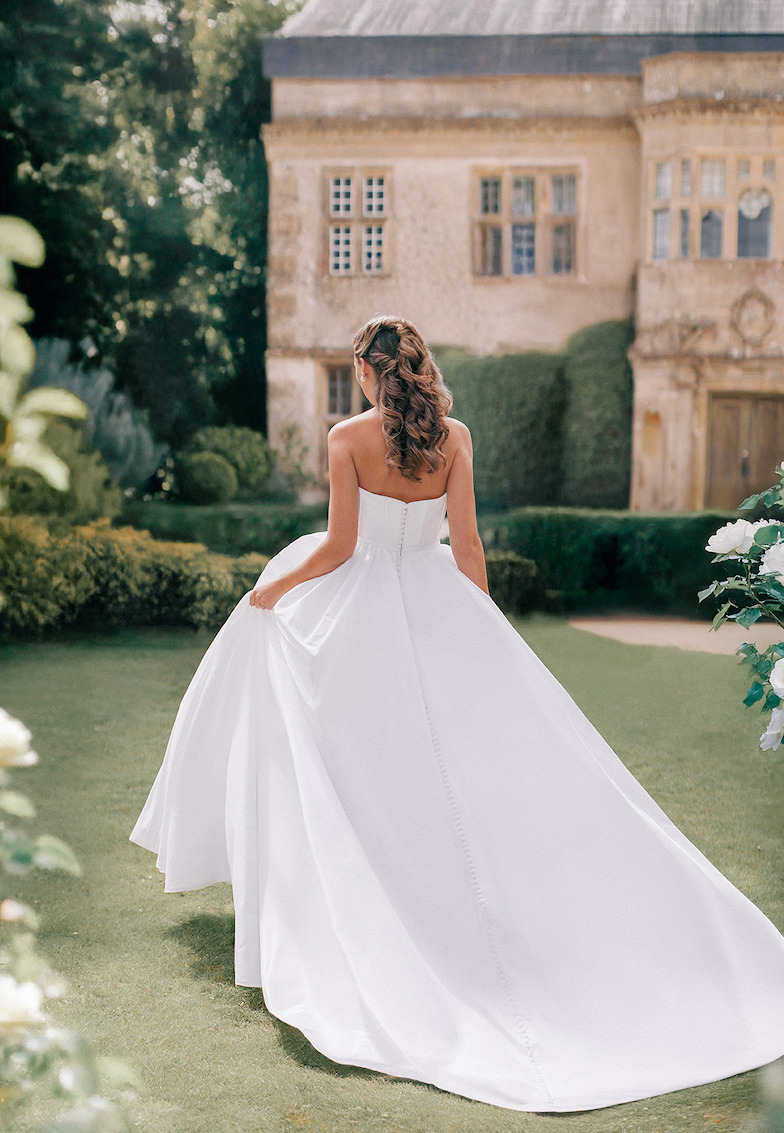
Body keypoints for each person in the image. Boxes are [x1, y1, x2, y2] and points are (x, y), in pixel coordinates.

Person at [131, 315, 784, 1114]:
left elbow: (337, 549)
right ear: (418, 368)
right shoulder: (457, 435)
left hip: (362, 613)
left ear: (368, 376)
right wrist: (484, 635)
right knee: (454, 771)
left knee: (358, 763)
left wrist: (272, 591)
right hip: (436, 602)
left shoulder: (346, 438)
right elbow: (467, 547)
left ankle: (361, 901)